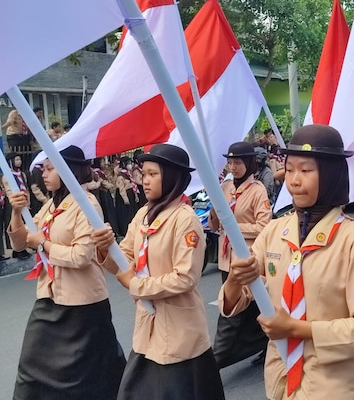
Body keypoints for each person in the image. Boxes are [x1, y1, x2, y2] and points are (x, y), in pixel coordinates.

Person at [220, 124, 354, 399]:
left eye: (305, 171)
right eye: (289, 170)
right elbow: (239, 299)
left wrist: (296, 329)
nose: (294, 180)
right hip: (279, 381)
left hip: (329, 386)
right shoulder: (275, 230)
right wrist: (234, 280)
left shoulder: (352, 239)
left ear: (331, 175)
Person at [92, 144, 225, 400]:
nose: (145, 180)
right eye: (144, 173)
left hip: (179, 329)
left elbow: (185, 277)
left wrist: (136, 285)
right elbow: (126, 258)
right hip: (148, 326)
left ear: (173, 177)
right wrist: (104, 251)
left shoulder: (185, 219)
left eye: (153, 174)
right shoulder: (143, 214)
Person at [8, 145, 125, 399]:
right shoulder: (50, 206)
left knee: (91, 375)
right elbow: (20, 243)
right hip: (49, 299)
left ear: (68, 170)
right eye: (44, 169)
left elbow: (81, 256)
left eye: (50, 169)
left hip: (83, 305)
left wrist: (43, 243)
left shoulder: (87, 204)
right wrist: (17, 213)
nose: (44, 175)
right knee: (31, 368)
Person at [209, 141, 272, 369]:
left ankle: (217, 359)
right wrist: (215, 212)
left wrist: (233, 226)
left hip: (247, 260)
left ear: (248, 162)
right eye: (230, 162)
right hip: (227, 260)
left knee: (248, 310)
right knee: (233, 308)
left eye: (237, 162)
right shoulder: (224, 188)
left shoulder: (257, 191)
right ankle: (262, 345)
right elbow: (215, 226)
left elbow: (264, 226)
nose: (233, 167)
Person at [2, 152, 31, 259]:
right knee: (15, 225)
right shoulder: (7, 176)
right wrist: (16, 201)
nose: (19, 162)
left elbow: (26, 187)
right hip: (14, 203)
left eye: (19, 159)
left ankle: (23, 247)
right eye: (16, 160)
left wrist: (27, 201)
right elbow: (9, 190)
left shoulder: (22, 174)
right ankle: (17, 250)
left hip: (24, 201)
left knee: (24, 224)